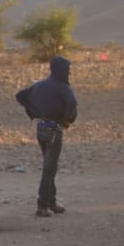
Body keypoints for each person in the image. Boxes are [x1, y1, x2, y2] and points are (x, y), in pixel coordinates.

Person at [16, 56, 78, 217]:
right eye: (68, 69)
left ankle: (52, 202)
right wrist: (67, 119)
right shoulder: (63, 87)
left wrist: (33, 111)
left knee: (50, 166)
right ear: (61, 70)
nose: (69, 72)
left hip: (41, 127)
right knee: (49, 168)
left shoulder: (40, 85)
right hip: (54, 128)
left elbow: (21, 96)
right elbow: (72, 103)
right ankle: (42, 205)